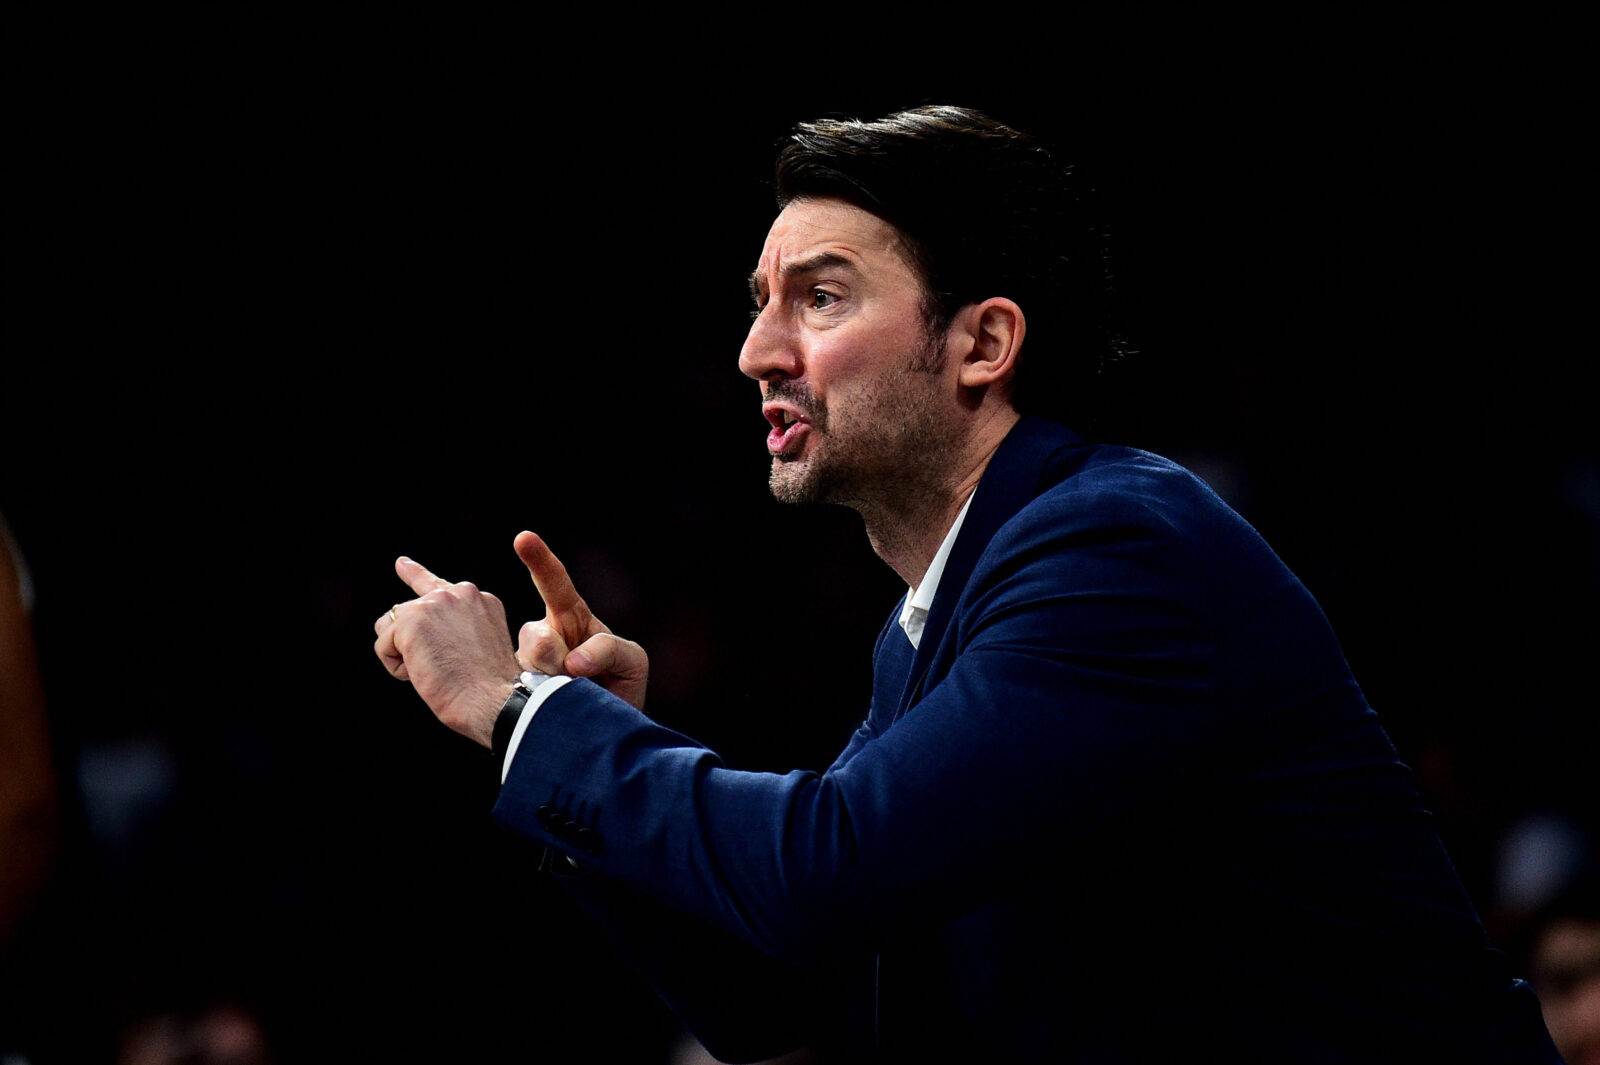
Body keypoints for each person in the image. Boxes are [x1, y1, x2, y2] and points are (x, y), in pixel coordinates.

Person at [373, 106, 1560, 1062]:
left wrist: (527, 718)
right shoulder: (942, 617)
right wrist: (594, 742)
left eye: (820, 297)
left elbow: (826, 873)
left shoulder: (1116, 554)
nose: (756, 353)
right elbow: (787, 997)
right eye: (759, 306)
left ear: (982, 345)